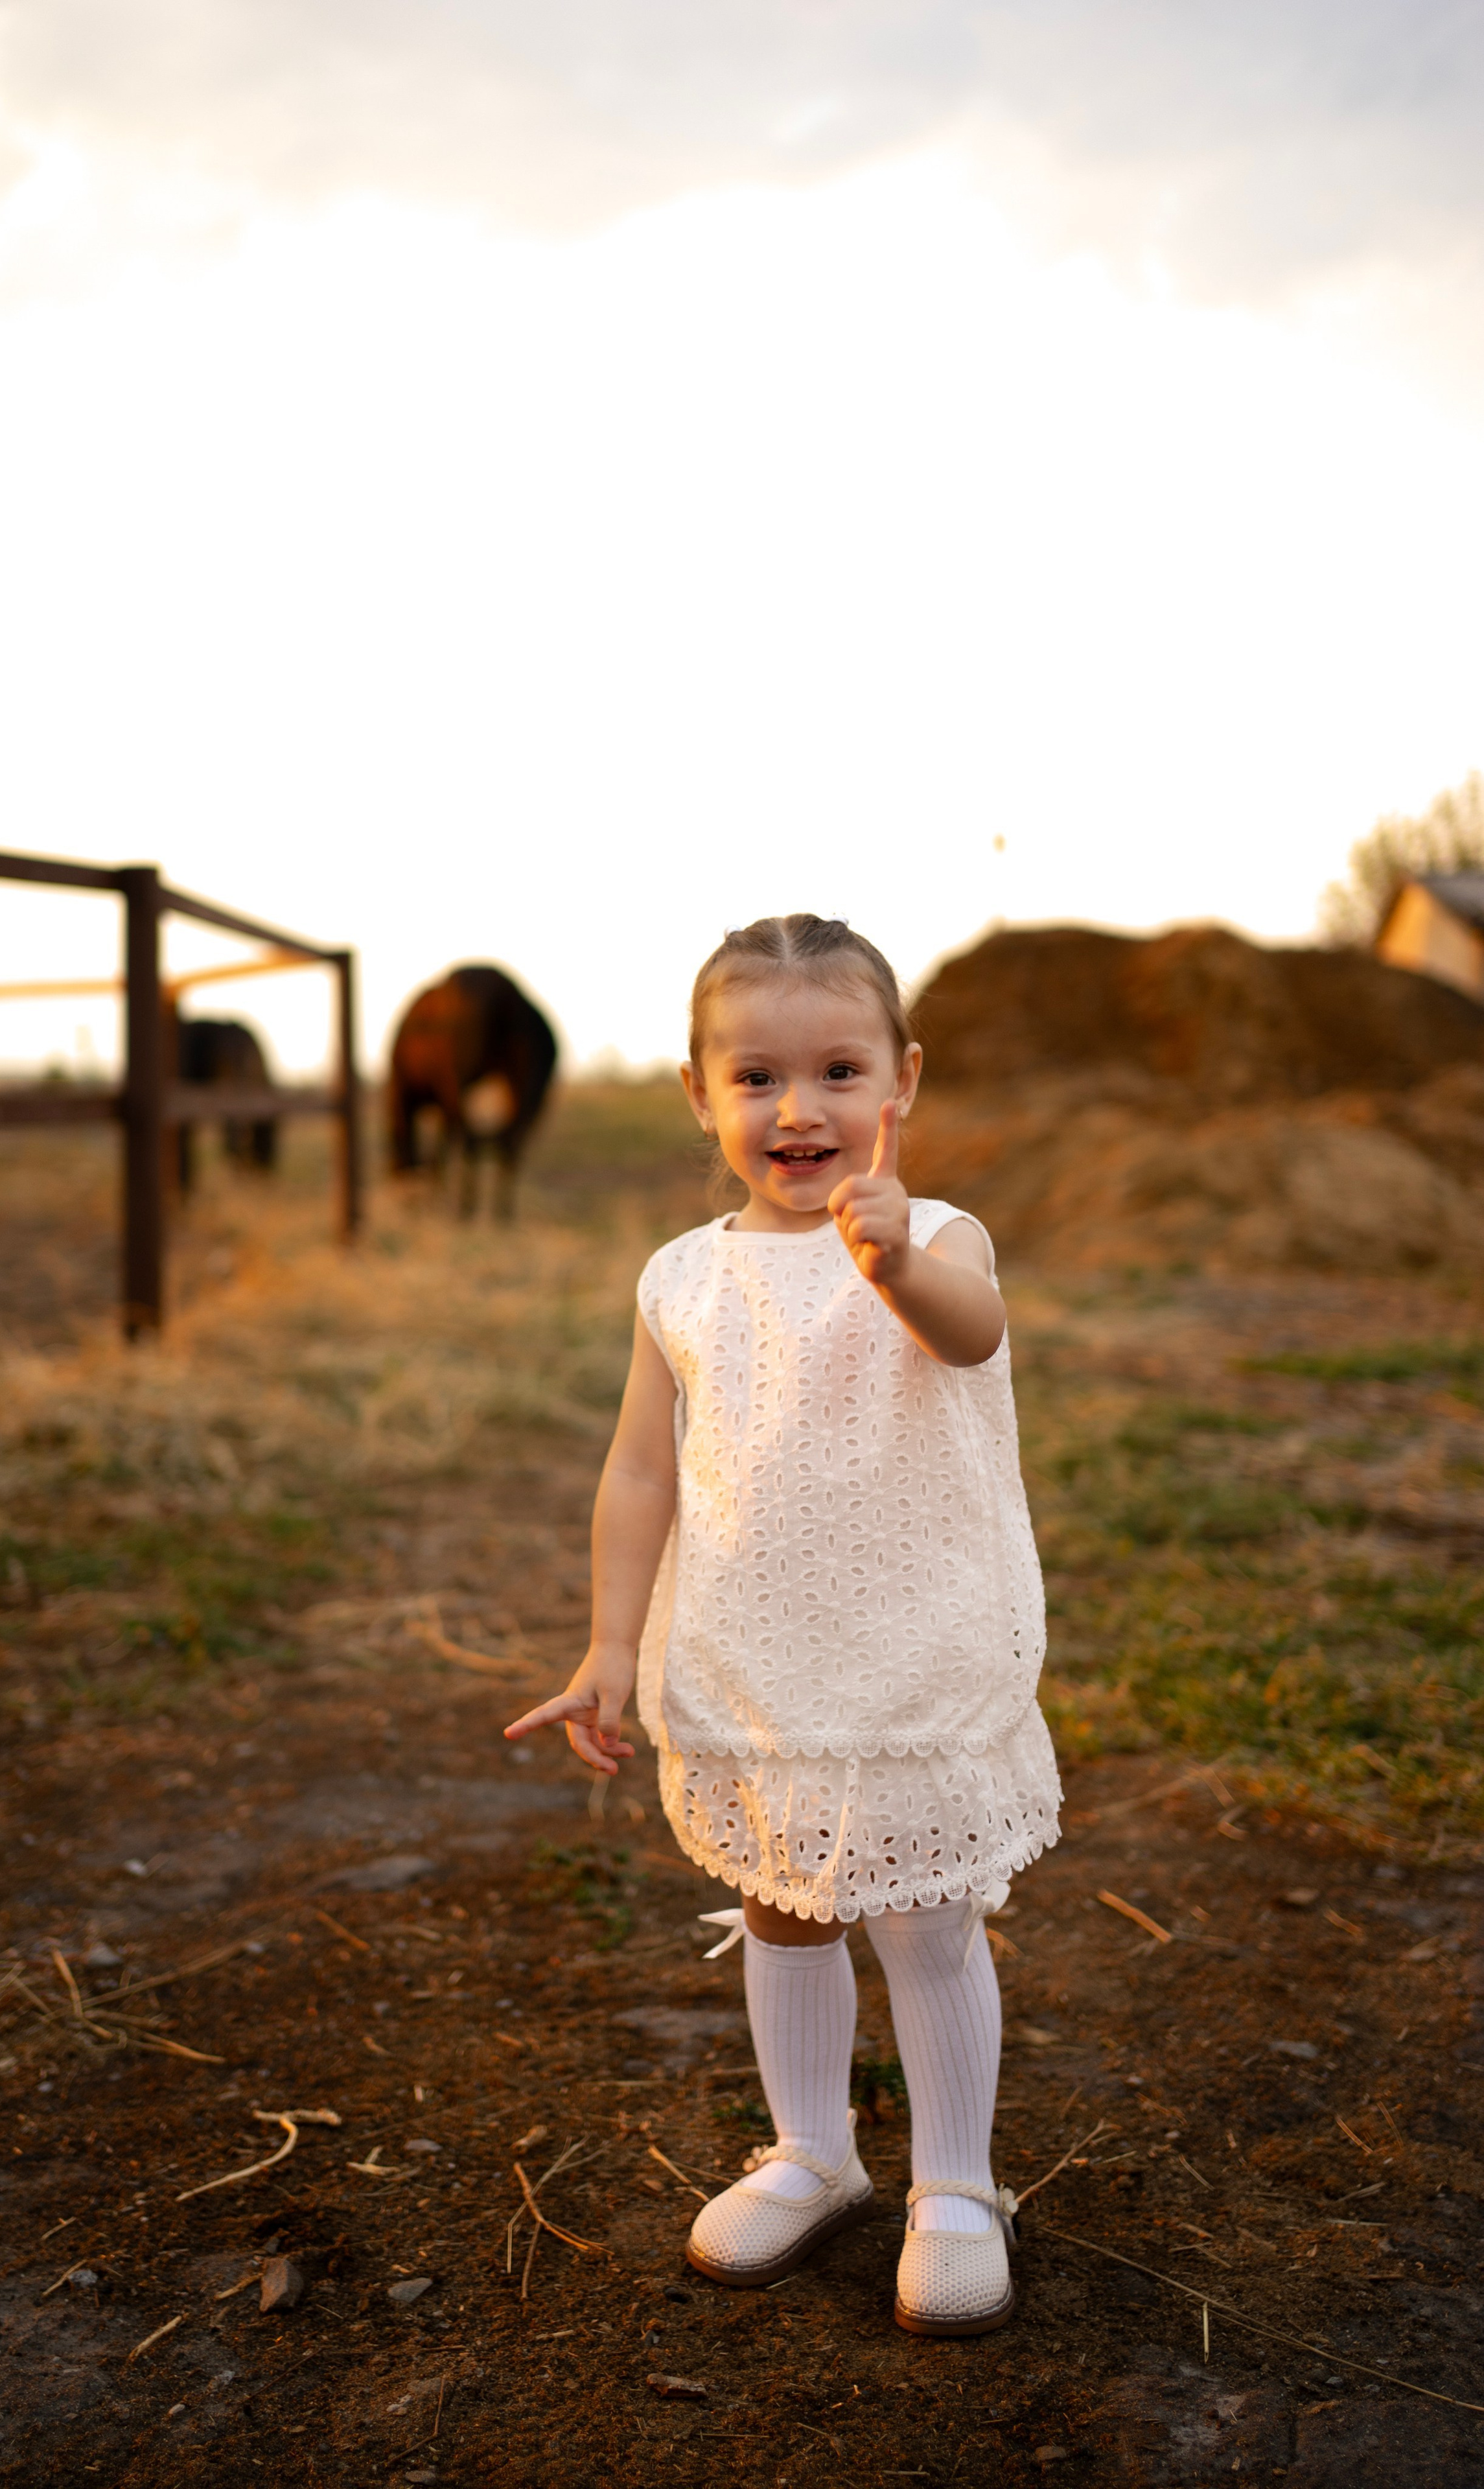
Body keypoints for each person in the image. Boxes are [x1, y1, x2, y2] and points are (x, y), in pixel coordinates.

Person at [504, 914, 1060, 2336]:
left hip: (914, 1651)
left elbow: (974, 1332)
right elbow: (641, 1470)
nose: (798, 1109)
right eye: (756, 1077)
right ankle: (814, 2155)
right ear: (700, 1094)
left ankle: (954, 2187)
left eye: (837, 1072)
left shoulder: (937, 1239)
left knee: (924, 1918)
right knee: (780, 1904)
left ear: (900, 1082)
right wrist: (610, 1646)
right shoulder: (681, 1277)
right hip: (754, 1658)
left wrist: (894, 1265)